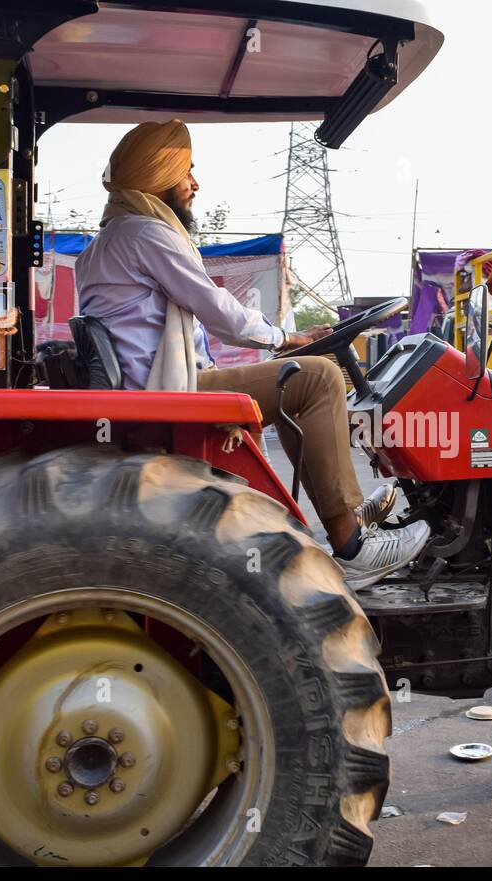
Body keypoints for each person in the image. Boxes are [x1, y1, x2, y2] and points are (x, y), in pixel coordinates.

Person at [75, 120, 428, 589]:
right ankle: (351, 545)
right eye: (186, 172)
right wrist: (285, 338)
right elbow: (221, 314)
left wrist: (285, 345)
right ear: (158, 177)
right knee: (318, 376)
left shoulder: (105, 242)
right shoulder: (145, 233)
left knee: (295, 380)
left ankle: (336, 511)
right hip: (169, 392)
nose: (194, 184)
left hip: (155, 385)